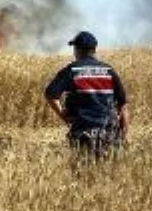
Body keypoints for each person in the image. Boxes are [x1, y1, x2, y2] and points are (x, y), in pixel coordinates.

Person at [44, 31, 129, 160]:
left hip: (83, 133)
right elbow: (123, 106)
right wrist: (122, 135)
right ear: (94, 50)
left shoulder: (72, 70)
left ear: (78, 50)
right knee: (109, 175)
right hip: (109, 133)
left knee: (82, 174)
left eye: (74, 48)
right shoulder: (108, 71)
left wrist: (63, 116)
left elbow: (51, 95)